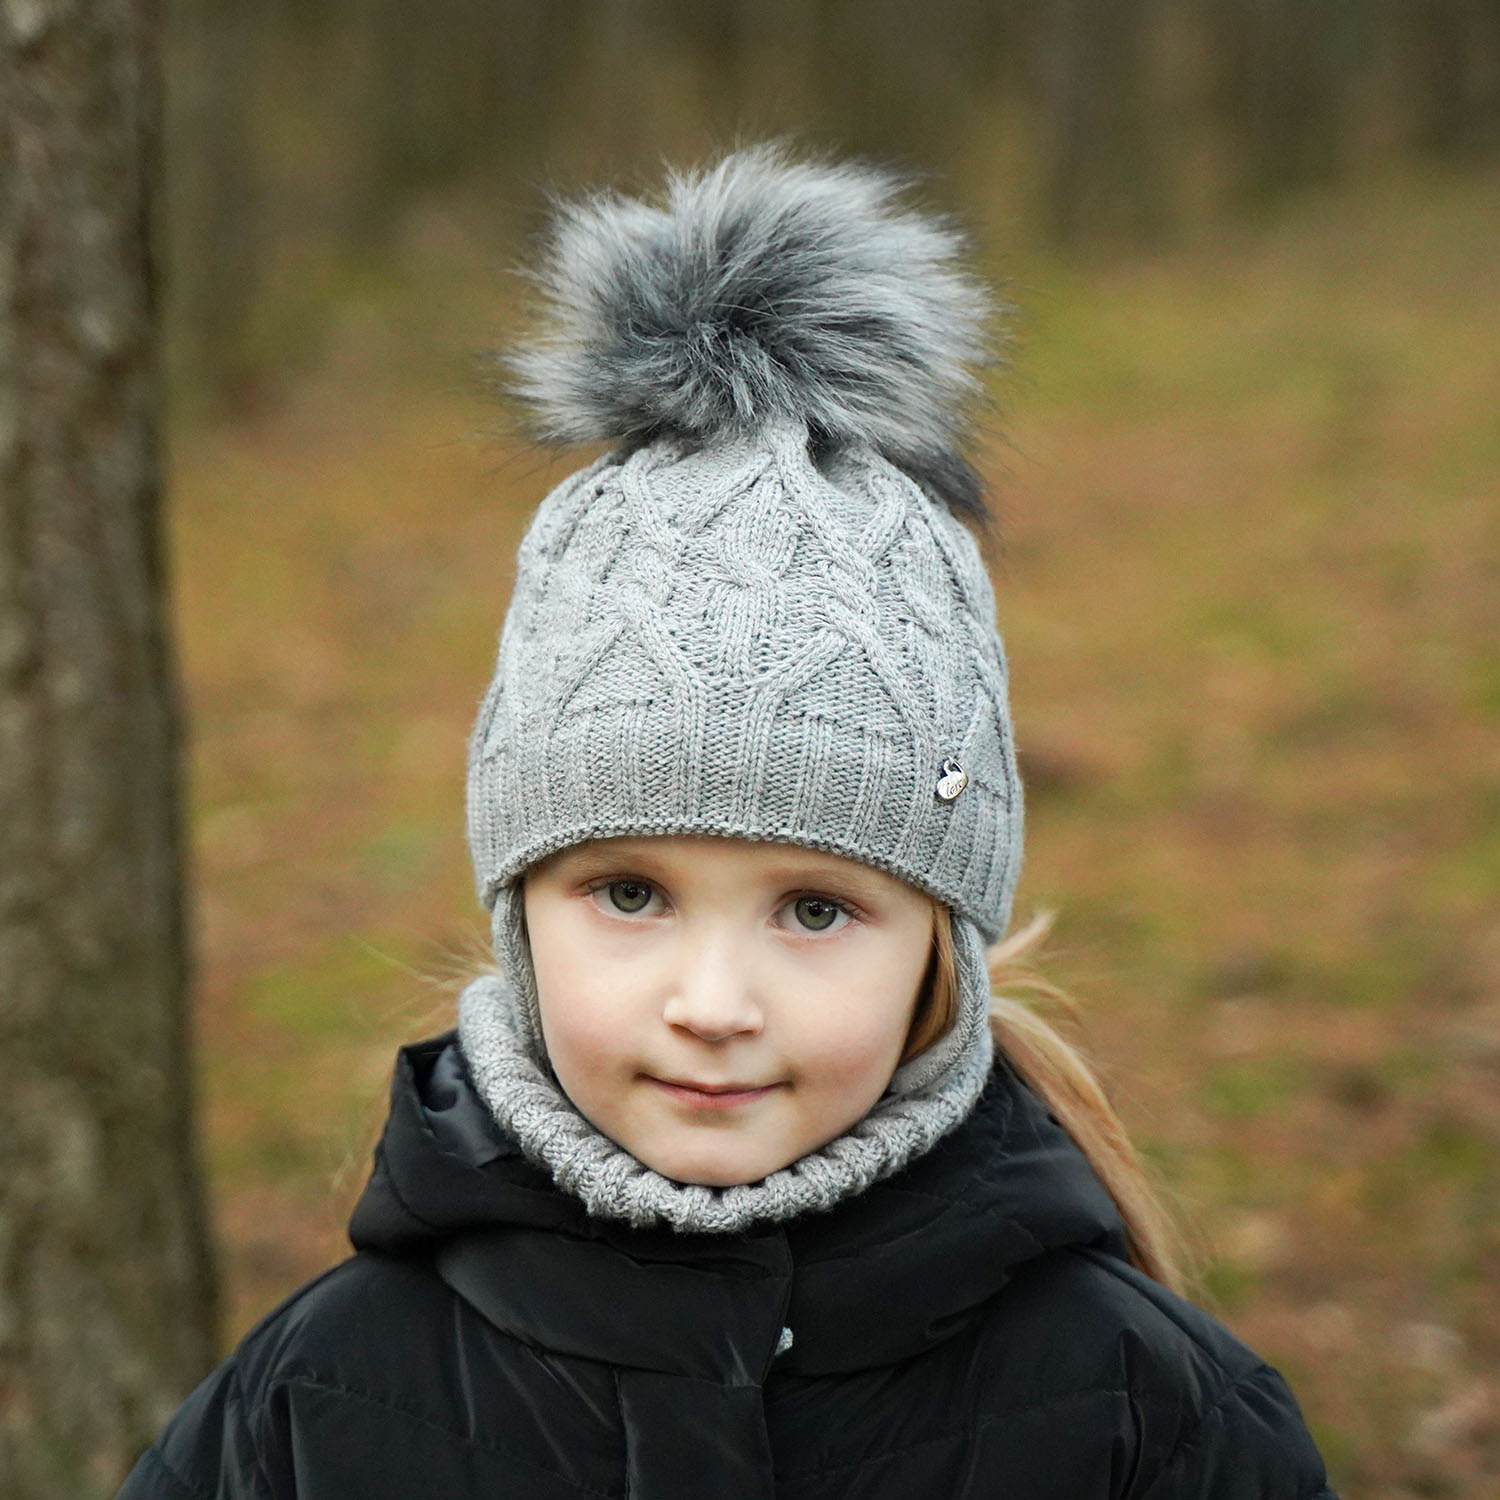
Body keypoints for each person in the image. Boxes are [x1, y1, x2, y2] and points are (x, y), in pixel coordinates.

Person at [119, 143, 1338, 1499]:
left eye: (816, 908)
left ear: (940, 945)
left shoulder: (1147, 1416)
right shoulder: (314, 1406)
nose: (712, 1005)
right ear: (518, 915)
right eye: (629, 894)